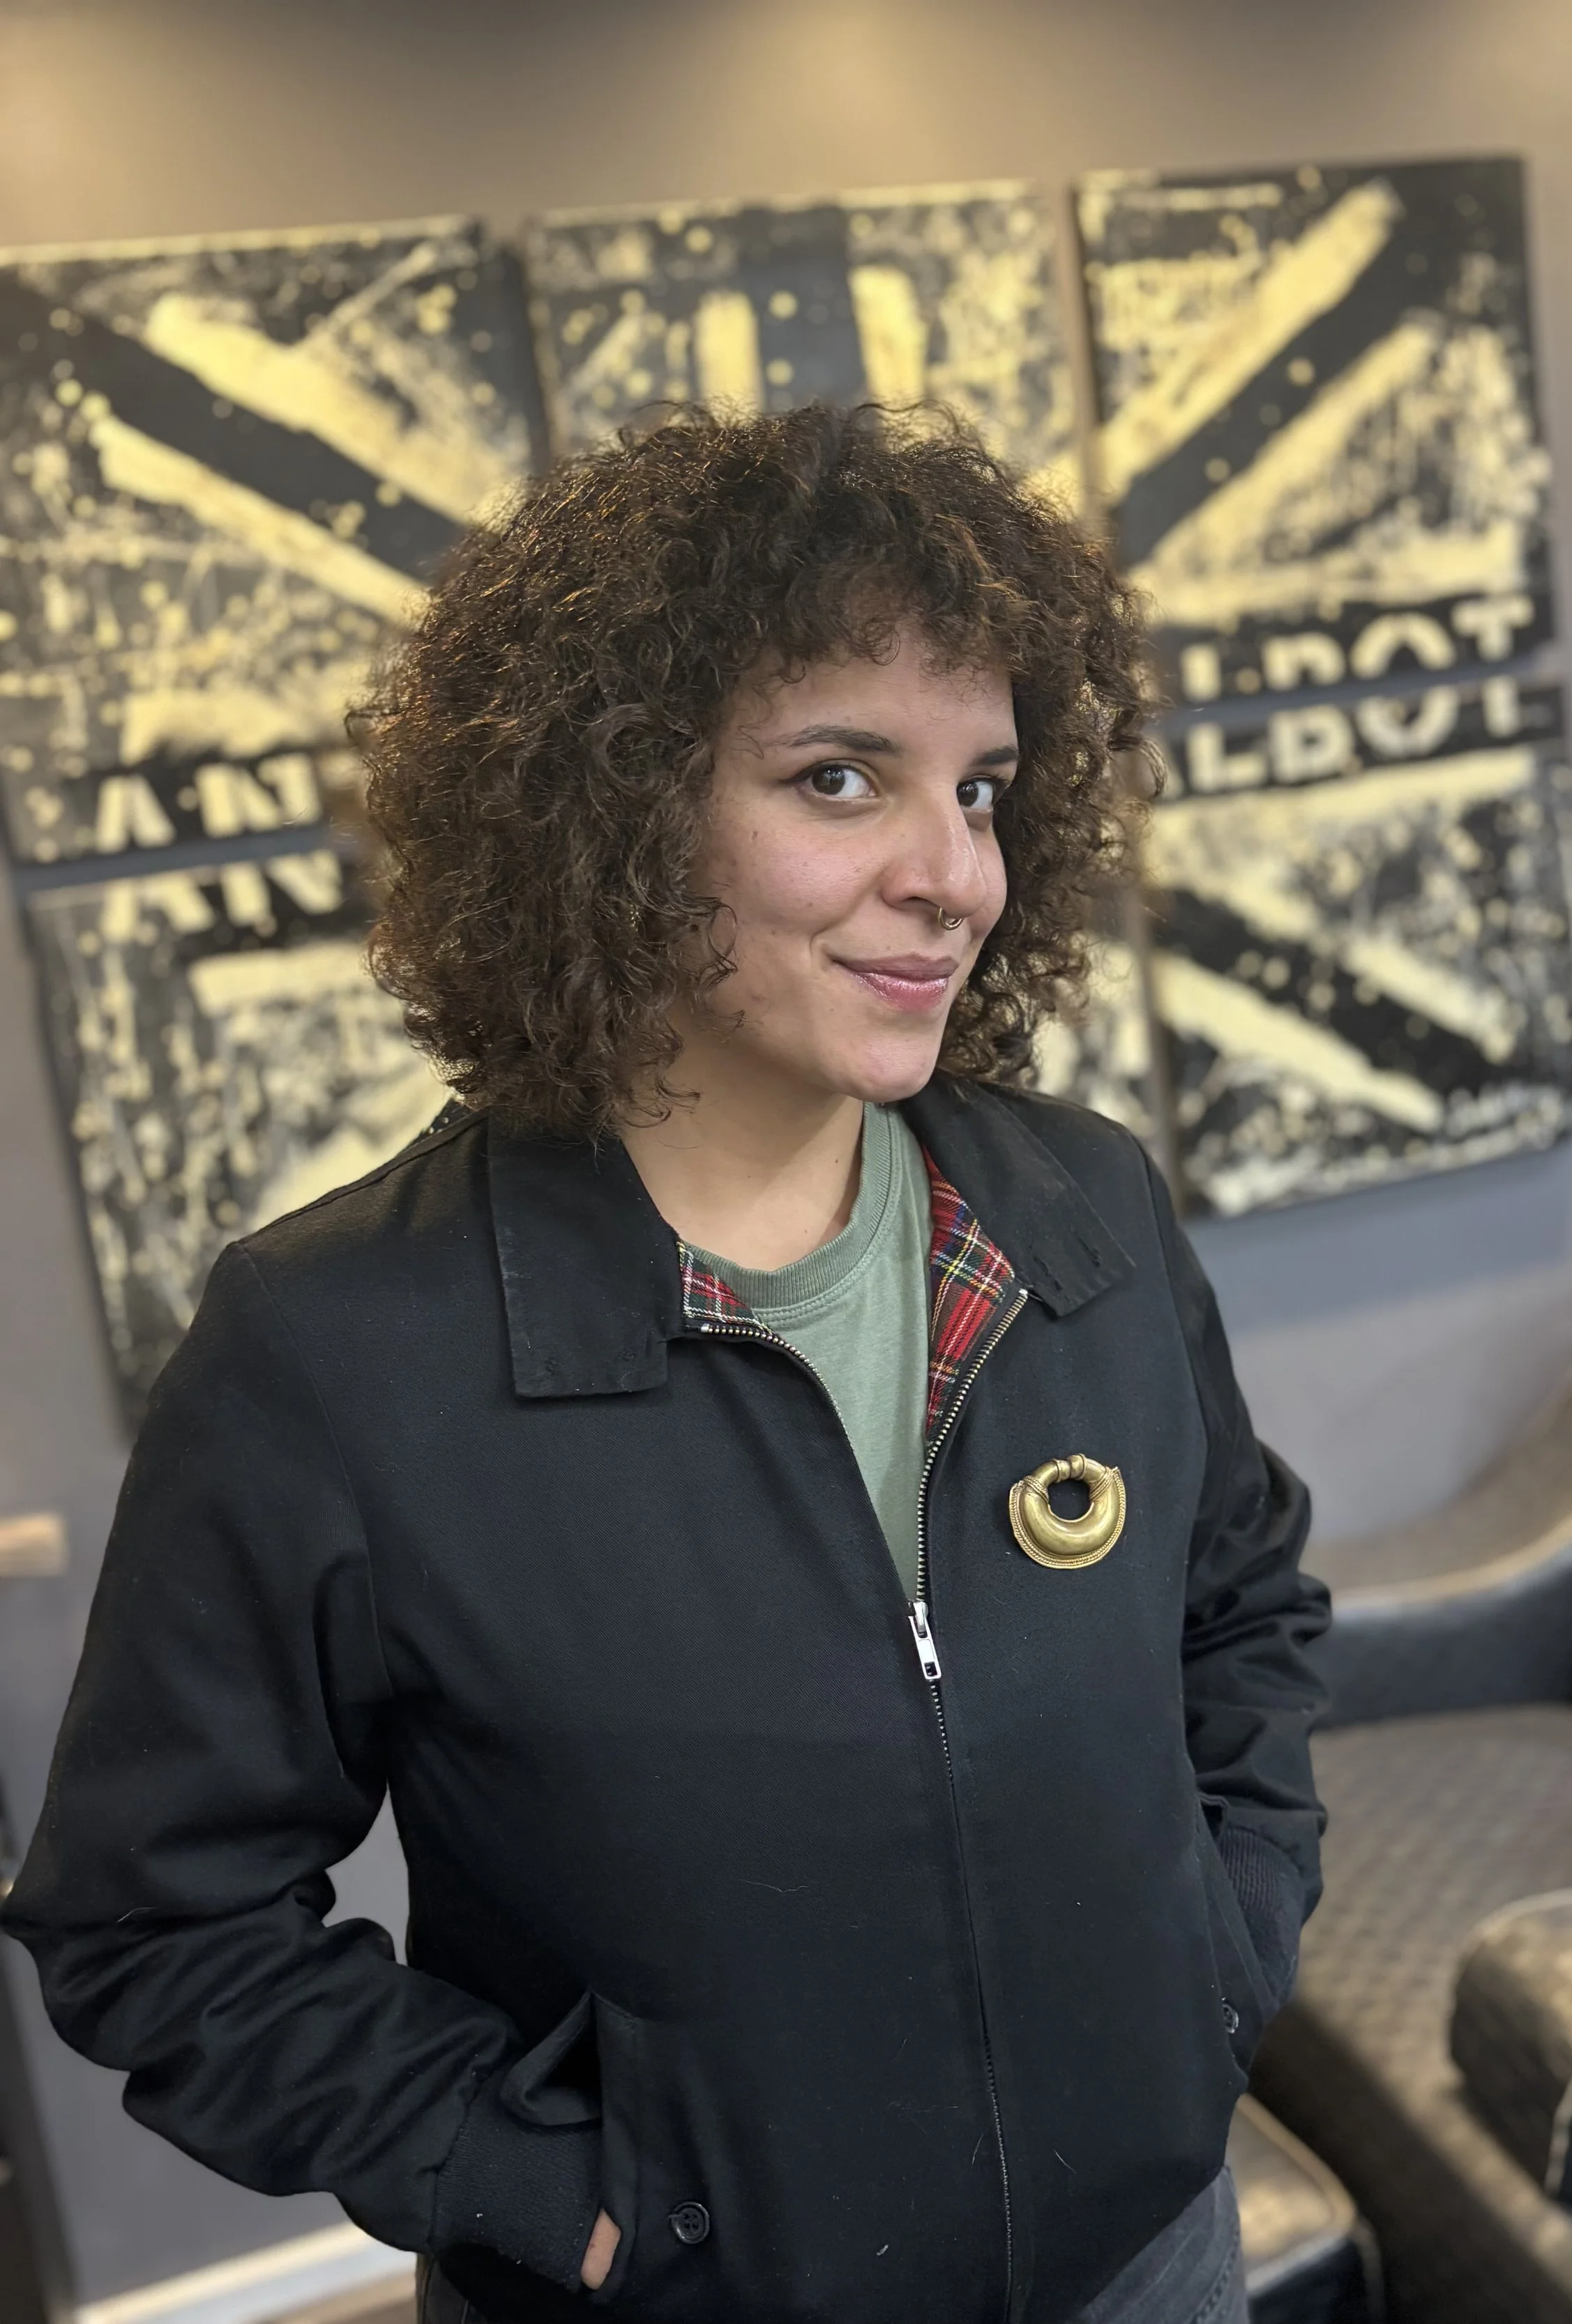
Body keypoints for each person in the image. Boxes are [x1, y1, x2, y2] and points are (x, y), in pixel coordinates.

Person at [3, 404, 1328, 2324]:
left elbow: (1242, 1606)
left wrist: (1222, 1956)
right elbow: (154, 1918)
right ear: (612, 808)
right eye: (840, 777)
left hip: (1153, 2261)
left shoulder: (1082, 1211)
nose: (952, 874)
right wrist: (550, 2185)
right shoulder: (342, 1348)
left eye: (980, 789)